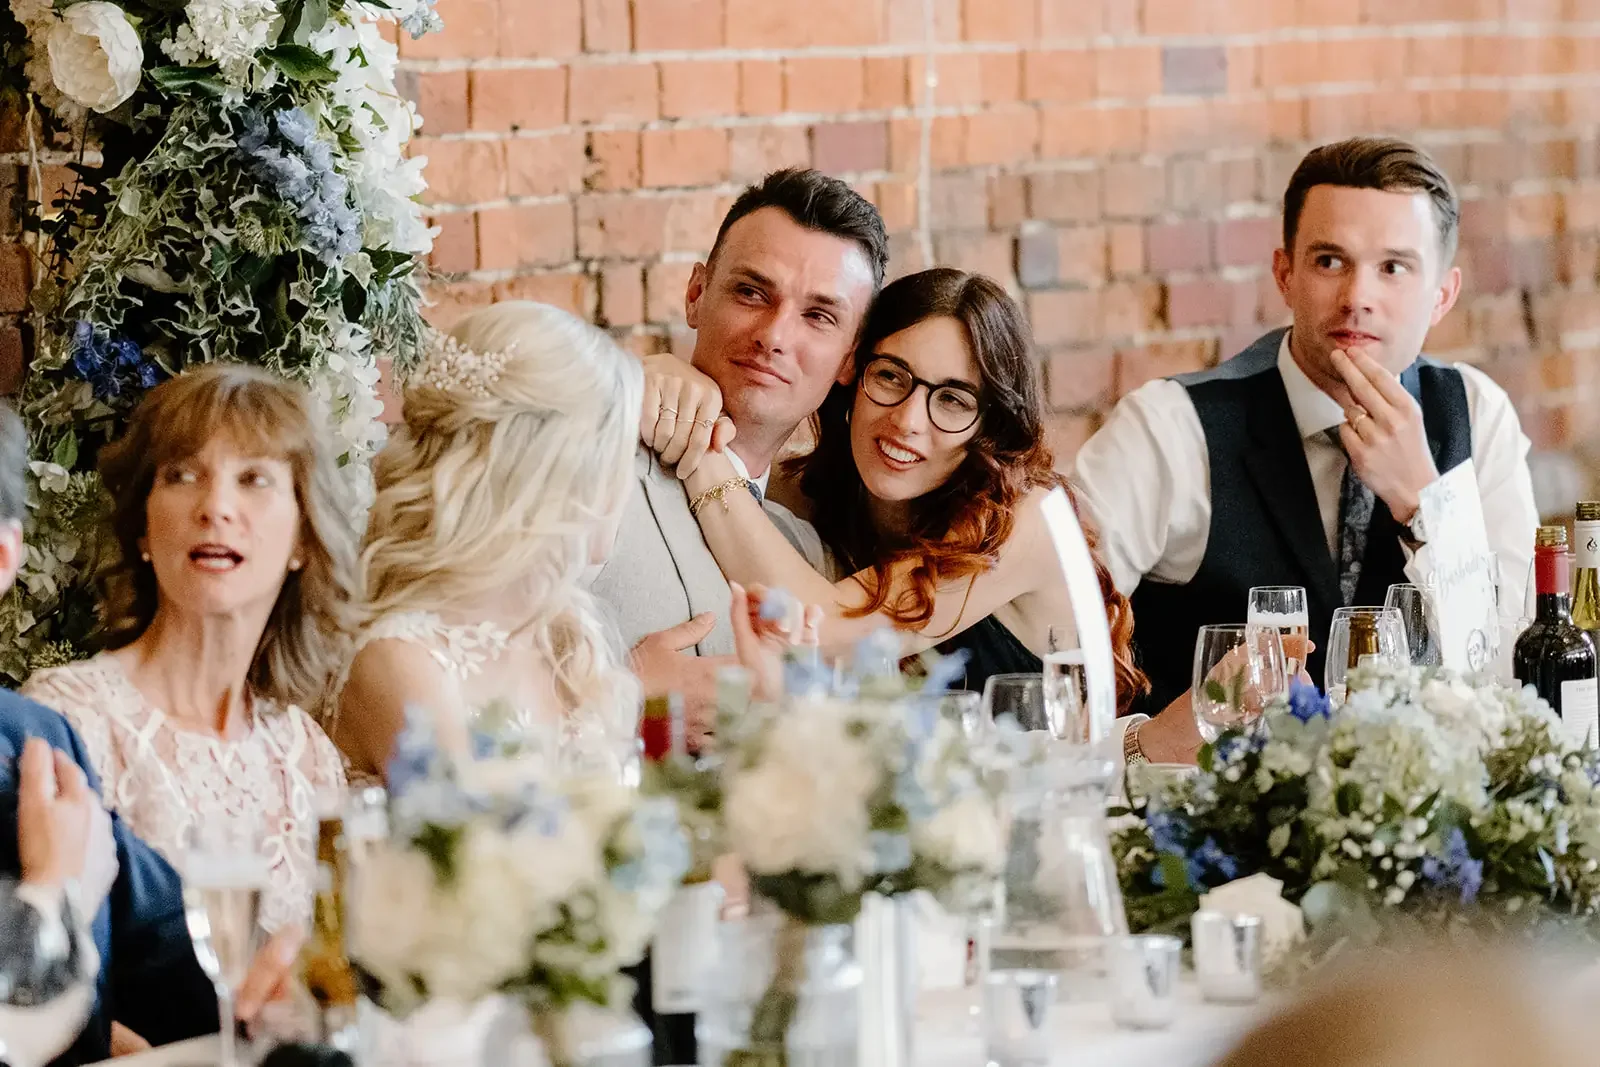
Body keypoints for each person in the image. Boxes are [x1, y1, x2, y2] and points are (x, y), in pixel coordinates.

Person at [644, 268, 1230, 762]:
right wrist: (659, 382)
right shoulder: (816, 491)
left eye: (952, 399)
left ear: (990, 425)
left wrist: (702, 450)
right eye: (892, 377)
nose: (908, 421)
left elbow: (819, 630)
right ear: (854, 374)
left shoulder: (1023, 521)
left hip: (1055, 831)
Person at [1075, 136, 1538, 735]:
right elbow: (1048, 645)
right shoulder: (1171, 427)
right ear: (1284, 274)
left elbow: (1512, 676)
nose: (1357, 298)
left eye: (1393, 268)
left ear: (1442, 295)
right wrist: (1141, 744)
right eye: (1329, 261)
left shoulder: (1477, 414)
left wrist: (1428, 506)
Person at [0, 398, 298, 1065]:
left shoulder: (34, 739)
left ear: (2, 557)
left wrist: (282, 986)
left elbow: (170, 939)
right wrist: (50, 889)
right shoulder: (67, 711)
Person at [24, 364, 356, 938]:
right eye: (182, 475)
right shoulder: (69, 722)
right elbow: (47, 978)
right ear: (144, 531)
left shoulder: (308, 756)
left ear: (303, 537)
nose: (216, 507)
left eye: (254, 478)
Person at [590, 168, 884, 748]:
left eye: (818, 315)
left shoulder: (808, 553)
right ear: (697, 294)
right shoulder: (591, 462)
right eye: (752, 292)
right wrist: (619, 698)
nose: (774, 334)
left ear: (849, 359)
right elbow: (421, 674)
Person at [331, 301, 644, 783]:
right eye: (621, 456)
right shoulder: (400, 663)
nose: (627, 484)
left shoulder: (566, 641)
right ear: (562, 472)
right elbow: (486, 848)